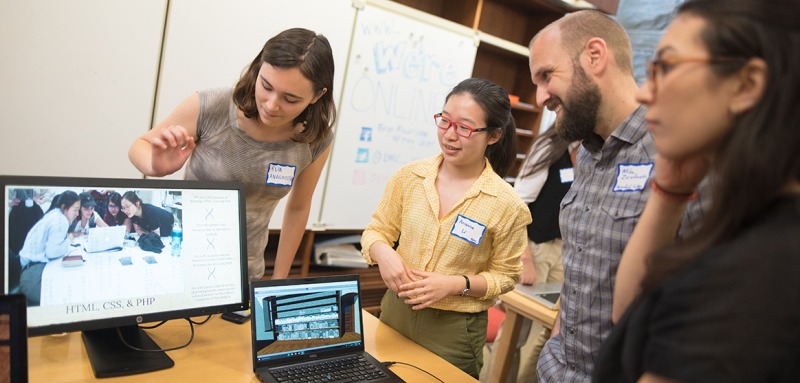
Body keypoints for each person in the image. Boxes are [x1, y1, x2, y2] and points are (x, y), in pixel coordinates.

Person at [595, 0, 800, 381]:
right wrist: (671, 190)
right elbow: (630, 314)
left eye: (666, 68)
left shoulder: (760, 266)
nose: (643, 94)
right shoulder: (752, 220)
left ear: (747, 84)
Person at [527, 10, 707, 382]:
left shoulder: (678, 154)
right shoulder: (589, 155)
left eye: (547, 75)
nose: (541, 95)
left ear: (595, 55)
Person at [128, 28, 336, 280]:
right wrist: (155, 166)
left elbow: (298, 208)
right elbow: (138, 146)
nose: (271, 105)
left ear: (318, 95)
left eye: (290, 99)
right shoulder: (213, 105)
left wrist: (278, 279)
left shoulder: (315, 139)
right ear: (258, 69)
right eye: (266, 86)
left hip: (245, 272)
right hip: (184, 261)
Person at [360, 78, 531, 378]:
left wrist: (456, 284)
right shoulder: (409, 177)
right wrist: (383, 253)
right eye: (445, 121)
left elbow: (506, 276)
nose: (450, 135)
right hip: (395, 312)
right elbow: (376, 230)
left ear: (493, 136)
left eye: (464, 127)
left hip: (454, 330)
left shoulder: (507, 204)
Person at [512, 126, 578, 381]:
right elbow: (517, 206)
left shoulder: (587, 153)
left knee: (548, 332)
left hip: (564, 250)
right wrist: (525, 258)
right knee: (518, 332)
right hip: (535, 247)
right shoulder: (549, 147)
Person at [18, 191, 81, 306]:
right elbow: (52, 253)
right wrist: (69, 240)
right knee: (71, 292)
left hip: (31, 269)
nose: (77, 213)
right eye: (75, 210)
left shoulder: (53, 214)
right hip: (33, 278)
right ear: (64, 207)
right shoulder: (60, 220)